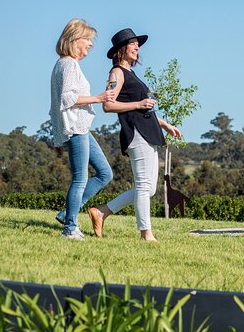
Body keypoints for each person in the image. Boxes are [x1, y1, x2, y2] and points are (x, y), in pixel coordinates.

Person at [88, 28, 181, 241]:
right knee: (143, 186)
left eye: (137, 44)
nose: (137, 46)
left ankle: (101, 212)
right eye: (132, 43)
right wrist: (139, 103)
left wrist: (165, 124)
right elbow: (108, 105)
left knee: (148, 190)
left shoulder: (130, 73)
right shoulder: (116, 73)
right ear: (121, 49)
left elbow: (143, 109)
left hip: (148, 132)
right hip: (136, 134)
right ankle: (146, 234)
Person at [49, 18, 115, 240]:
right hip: (76, 128)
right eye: (88, 41)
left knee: (105, 173)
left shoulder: (62, 64)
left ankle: (67, 214)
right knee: (80, 178)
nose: (90, 46)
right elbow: (67, 98)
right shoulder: (68, 64)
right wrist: (99, 98)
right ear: (75, 39)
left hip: (80, 127)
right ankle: (69, 228)